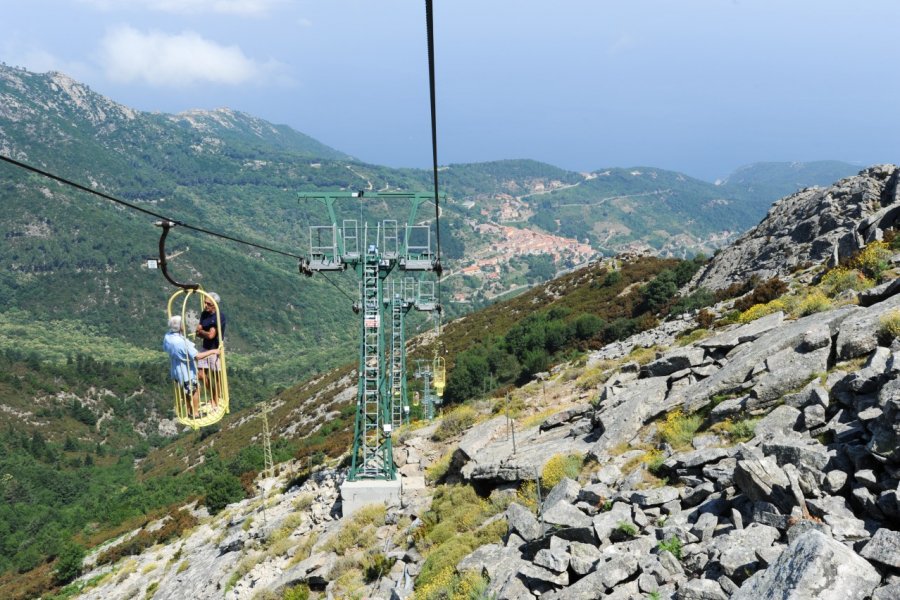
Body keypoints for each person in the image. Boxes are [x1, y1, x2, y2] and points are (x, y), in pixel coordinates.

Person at [163, 315, 218, 419]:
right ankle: (196, 413)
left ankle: (188, 410)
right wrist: (213, 351)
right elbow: (198, 356)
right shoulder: (182, 342)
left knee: (185, 390)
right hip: (187, 371)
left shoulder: (168, 337)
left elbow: (166, 348)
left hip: (176, 369)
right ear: (180, 327)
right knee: (195, 390)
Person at [195, 292, 226, 408]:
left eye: (208, 303)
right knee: (201, 374)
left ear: (214, 304)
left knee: (216, 376)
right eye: (205, 302)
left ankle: (215, 401)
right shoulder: (204, 314)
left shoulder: (218, 316)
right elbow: (199, 331)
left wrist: (201, 332)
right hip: (205, 347)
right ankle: (213, 396)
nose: (205, 305)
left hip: (215, 349)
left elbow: (210, 335)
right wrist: (202, 332)